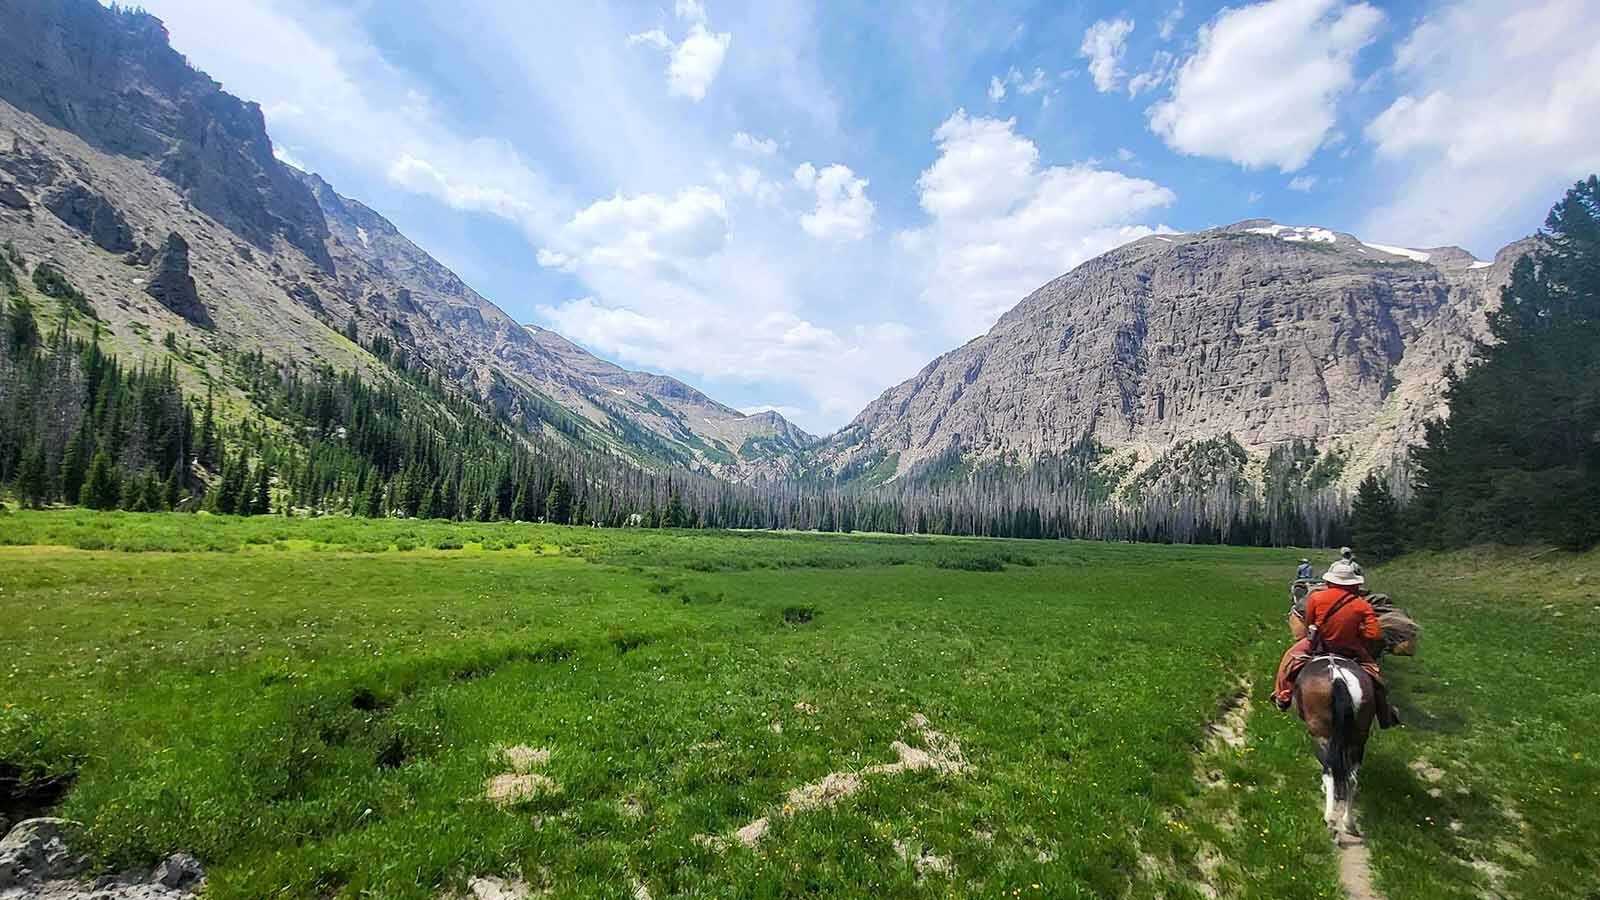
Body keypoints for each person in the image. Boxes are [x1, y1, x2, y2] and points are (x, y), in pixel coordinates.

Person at [1273, 559, 1400, 727]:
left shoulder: (1316, 597)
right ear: (1354, 584)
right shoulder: (1362, 605)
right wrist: (1357, 631)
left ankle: (1283, 695)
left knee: (1289, 659)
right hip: (1351, 649)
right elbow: (1374, 634)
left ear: (1329, 582)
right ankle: (1385, 714)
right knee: (1375, 675)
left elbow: (1310, 622)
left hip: (1318, 645)